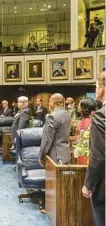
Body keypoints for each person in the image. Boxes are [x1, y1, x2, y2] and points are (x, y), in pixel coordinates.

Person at [82, 72, 105, 226]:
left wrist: (88, 184)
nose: (96, 90)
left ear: (102, 88)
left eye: (96, 86)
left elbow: (99, 155)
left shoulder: (101, 116)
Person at [38, 93, 71, 165]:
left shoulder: (52, 117)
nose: (49, 103)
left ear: (53, 102)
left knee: (55, 176)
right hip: (66, 155)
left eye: (49, 101)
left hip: (55, 157)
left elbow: (47, 140)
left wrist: (41, 156)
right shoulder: (67, 114)